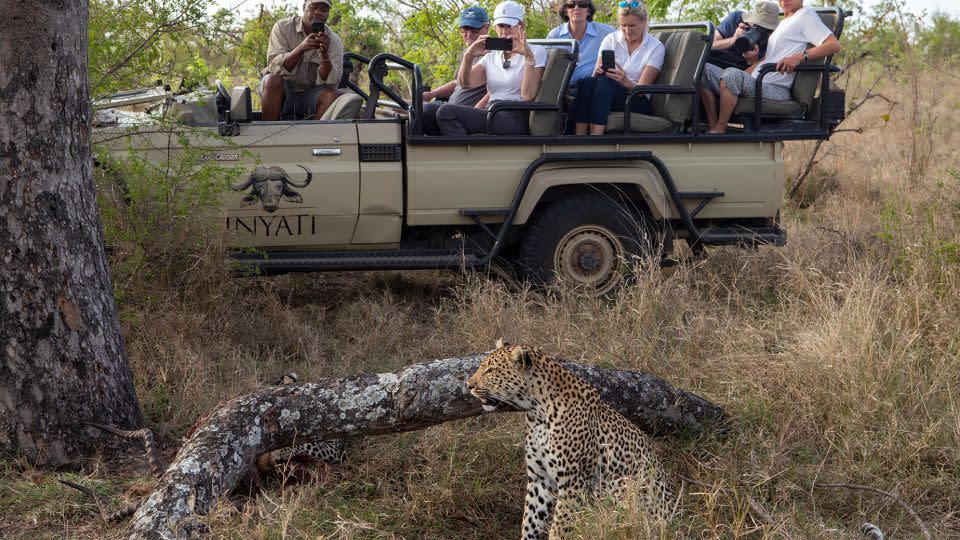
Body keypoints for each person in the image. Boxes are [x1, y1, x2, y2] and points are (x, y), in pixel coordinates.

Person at [700, 0, 840, 134]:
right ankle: (712, 126)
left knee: (731, 75)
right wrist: (744, 72)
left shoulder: (806, 15)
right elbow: (766, 60)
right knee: (703, 69)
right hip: (758, 81)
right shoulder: (783, 22)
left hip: (776, 88)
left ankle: (720, 128)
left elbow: (833, 45)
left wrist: (799, 57)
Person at [436, 1, 548, 136]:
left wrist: (528, 58)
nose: (505, 31)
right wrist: (469, 56)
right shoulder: (494, 53)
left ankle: (462, 155)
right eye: (501, 25)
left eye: (509, 25)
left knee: (446, 112)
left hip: (515, 115)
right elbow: (465, 83)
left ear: (521, 26)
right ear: (495, 28)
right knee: (426, 111)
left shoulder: (536, 51)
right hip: (492, 111)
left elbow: (528, 95)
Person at [572, 1, 664, 135]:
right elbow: (594, 79)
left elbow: (641, 91)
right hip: (606, 92)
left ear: (644, 21)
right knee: (587, 82)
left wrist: (624, 80)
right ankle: (578, 139)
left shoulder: (656, 48)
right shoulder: (611, 39)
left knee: (606, 83)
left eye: (632, 25)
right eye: (623, 25)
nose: (627, 30)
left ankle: (595, 139)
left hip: (635, 98)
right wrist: (597, 74)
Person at [258, 0, 344, 121]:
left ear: (328, 13)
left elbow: (332, 83)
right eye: (313, 7)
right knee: (272, 80)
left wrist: (324, 55)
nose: (318, 13)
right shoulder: (283, 27)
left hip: (310, 95)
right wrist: (301, 48)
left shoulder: (334, 41)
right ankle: (268, 135)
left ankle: (314, 138)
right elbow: (273, 66)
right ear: (304, 7)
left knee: (331, 95)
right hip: (282, 91)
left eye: (324, 9)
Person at [421, 7, 491, 135]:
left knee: (429, 109)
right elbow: (457, 83)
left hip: (466, 113)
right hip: (450, 108)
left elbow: (495, 90)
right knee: (415, 108)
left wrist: (476, 111)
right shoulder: (466, 53)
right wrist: (430, 94)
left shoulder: (492, 53)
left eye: (474, 29)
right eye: (464, 29)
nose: (468, 34)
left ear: (486, 28)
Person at [546, 0, 616, 89]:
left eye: (582, 5)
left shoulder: (606, 32)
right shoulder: (554, 36)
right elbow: (544, 67)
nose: (576, 8)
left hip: (592, 88)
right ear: (565, 11)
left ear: (589, 11)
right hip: (560, 90)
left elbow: (627, 38)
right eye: (571, 5)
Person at [708, 1, 780, 70]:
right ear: (750, 21)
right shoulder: (736, 18)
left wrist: (753, 61)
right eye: (757, 26)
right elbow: (709, 45)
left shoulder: (775, 41)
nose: (761, 32)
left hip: (740, 72)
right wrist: (733, 40)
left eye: (767, 29)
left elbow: (761, 78)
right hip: (716, 62)